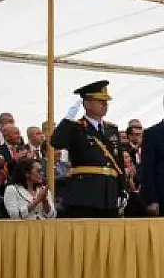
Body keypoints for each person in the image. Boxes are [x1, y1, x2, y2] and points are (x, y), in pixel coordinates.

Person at [49, 80, 126, 218]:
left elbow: (118, 162)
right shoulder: (75, 127)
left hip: (108, 193)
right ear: (86, 104)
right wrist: (68, 118)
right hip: (84, 193)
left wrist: (122, 189)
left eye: (106, 101)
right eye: (99, 101)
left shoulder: (111, 129)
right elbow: (56, 141)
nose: (104, 105)